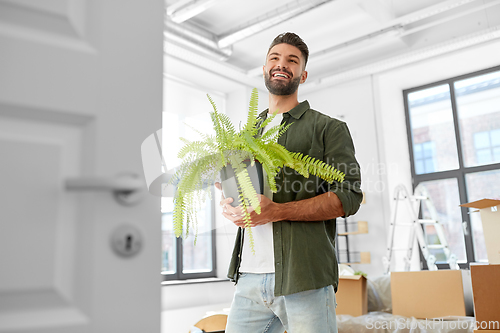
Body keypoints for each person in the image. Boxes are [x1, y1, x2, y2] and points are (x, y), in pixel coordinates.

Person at [217, 32, 363, 333]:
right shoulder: (243, 137)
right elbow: (245, 196)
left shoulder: (328, 128)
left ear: (303, 74)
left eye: (292, 60)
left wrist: (278, 211)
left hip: (304, 278)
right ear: (264, 68)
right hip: (248, 279)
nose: (282, 64)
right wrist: (230, 202)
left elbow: (349, 195)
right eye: (275, 58)